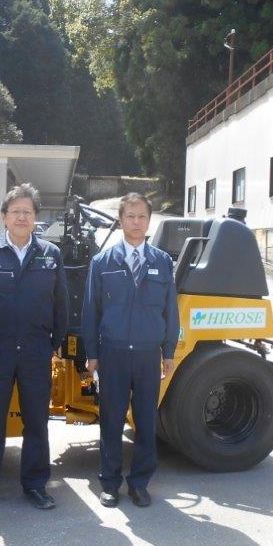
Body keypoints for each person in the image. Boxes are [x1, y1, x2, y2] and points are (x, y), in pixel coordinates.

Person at [0, 183, 68, 511]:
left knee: (36, 422)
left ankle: (35, 485)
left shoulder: (50, 255)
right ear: (4, 217)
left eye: (27, 212)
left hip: (36, 351)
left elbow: (62, 305)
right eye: (15, 212)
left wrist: (54, 345)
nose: (21, 217)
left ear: (36, 218)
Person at [81, 193, 178, 508]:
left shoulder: (162, 262)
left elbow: (171, 310)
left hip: (149, 354)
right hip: (114, 353)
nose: (136, 222)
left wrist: (168, 352)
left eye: (142, 217)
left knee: (146, 422)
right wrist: (92, 353)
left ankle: (139, 484)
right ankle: (109, 484)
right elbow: (91, 311)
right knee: (111, 421)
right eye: (130, 216)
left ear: (149, 221)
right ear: (121, 220)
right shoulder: (102, 262)